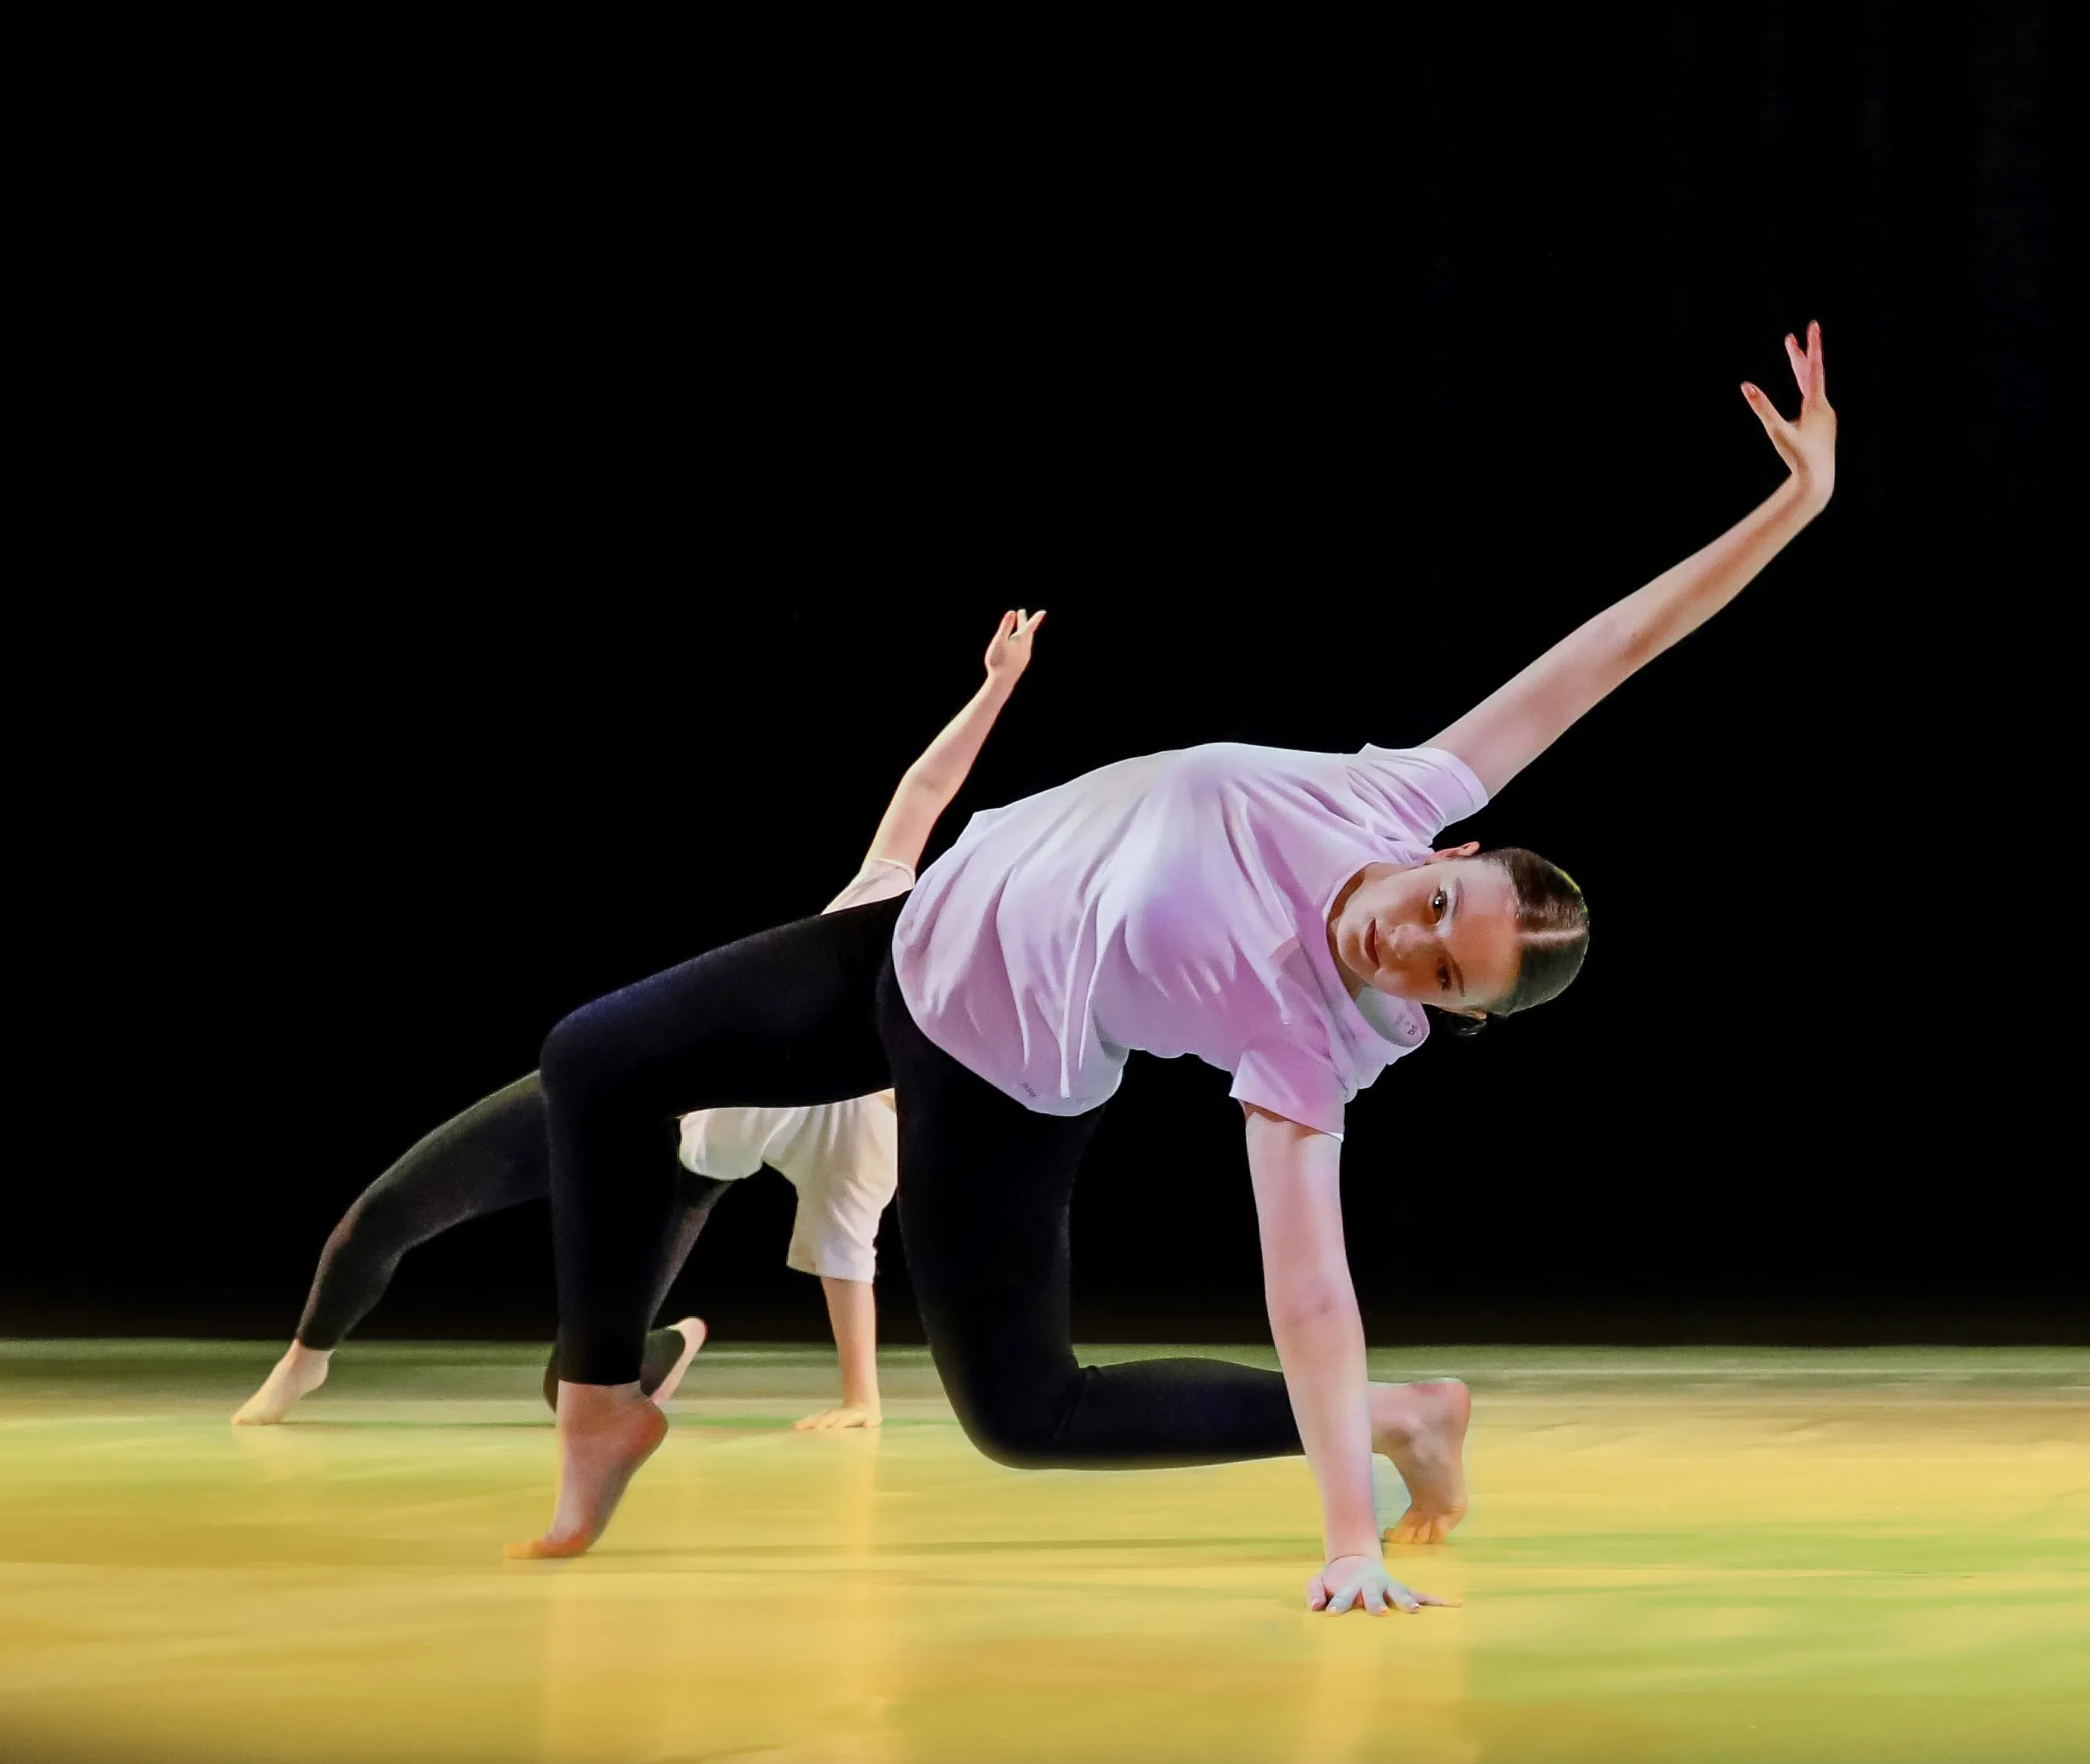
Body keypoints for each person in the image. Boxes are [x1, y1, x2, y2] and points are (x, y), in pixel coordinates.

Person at [511, 329, 1837, 1615]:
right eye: (1437, 905)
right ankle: (601, 1407)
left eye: (1441, 975)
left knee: (1025, 1416)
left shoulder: (1310, 1042)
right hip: (907, 942)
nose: (1404, 943)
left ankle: (1395, 1416)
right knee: (596, 1058)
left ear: (1444, 1012)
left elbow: (1308, 1290)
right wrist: (1798, 504)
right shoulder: (1392, 794)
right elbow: (1610, 651)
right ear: (1450, 850)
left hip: (993, 1082)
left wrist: (1349, 1536)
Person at [231, 610, 1048, 1430]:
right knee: (386, 1213)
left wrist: (860, 1399)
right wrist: (996, 686)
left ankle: (672, 1342)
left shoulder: (864, 1130)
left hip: (680, 1174)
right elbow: (925, 791)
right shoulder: (881, 912)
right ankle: (305, 1360)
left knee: (575, 1387)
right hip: (619, 1078)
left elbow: (848, 1262)